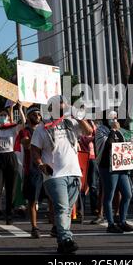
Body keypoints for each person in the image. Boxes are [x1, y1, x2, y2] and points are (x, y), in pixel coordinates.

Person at [31, 95, 93, 254]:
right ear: (51, 108)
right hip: (54, 175)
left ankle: (61, 242)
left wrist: (78, 117)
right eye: (59, 105)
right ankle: (66, 238)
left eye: (64, 105)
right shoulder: (42, 127)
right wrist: (40, 164)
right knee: (62, 207)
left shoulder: (70, 123)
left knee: (66, 210)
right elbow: (34, 150)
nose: (62, 108)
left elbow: (88, 131)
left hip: (73, 173)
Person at [95, 110, 133, 233]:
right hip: (107, 167)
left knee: (127, 194)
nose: (114, 120)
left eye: (116, 118)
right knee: (109, 195)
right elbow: (108, 144)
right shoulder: (101, 130)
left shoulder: (121, 130)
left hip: (121, 166)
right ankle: (111, 224)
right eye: (111, 118)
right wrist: (113, 131)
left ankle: (122, 221)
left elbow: (128, 145)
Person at [0, 102, 25, 225]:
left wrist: (19, 109)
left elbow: (23, 123)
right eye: (1, 115)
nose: (3, 117)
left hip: (10, 157)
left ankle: (9, 216)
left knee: (11, 189)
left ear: (8, 117)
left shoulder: (12, 128)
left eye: (5, 115)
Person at [19, 104, 44, 238]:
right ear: (28, 117)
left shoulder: (44, 130)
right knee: (32, 200)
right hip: (32, 169)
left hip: (45, 167)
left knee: (51, 198)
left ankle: (54, 226)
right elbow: (26, 144)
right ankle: (34, 227)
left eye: (39, 114)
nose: (38, 116)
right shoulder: (25, 131)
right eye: (34, 114)